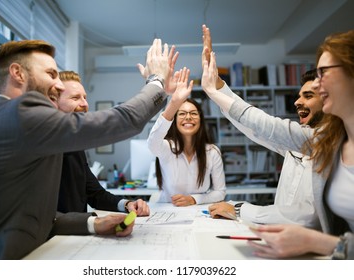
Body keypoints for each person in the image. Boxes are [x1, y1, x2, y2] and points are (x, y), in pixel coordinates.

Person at [0, 38, 178, 259]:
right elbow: (123, 120)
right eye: (51, 74)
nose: (58, 85)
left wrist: (95, 223)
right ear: (18, 73)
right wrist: (157, 81)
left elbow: (29, 215)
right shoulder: (20, 112)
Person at [201, 28, 354, 259]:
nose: (297, 102)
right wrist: (219, 86)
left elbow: (268, 126)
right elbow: (258, 129)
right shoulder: (327, 142)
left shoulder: (319, 141)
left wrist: (214, 92)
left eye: (324, 73)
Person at [209, 68, 323, 228]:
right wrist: (219, 88)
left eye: (308, 96)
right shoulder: (296, 144)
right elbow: (254, 129)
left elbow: (308, 216)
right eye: (299, 96)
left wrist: (240, 209)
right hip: (280, 239)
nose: (297, 102)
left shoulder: (329, 143)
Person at [57, 70, 149, 216]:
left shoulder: (75, 146)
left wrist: (127, 204)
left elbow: (95, 194)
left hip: (73, 235)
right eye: (75, 98)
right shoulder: (44, 147)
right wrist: (93, 224)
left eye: (85, 97)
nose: (84, 104)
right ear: (53, 102)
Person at [147, 66, 226, 206]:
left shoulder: (212, 152)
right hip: (166, 210)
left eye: (194, 113)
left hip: (198, 212)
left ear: (200, 120)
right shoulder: (166, 147)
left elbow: (220, 192)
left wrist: (194, 199)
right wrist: (173, 104)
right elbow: (152, 142)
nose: (188, 117)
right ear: (175, 120)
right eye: (182, 114)